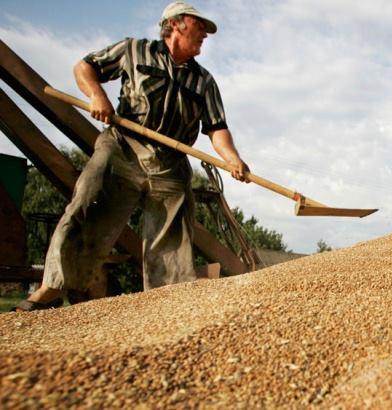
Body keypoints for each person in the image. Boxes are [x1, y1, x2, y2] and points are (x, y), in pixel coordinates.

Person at [13, 1, 249, 311]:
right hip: (123, 148)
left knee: (172, 236)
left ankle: (166, 303)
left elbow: (217, 128)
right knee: (88, 208)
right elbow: (84, 67)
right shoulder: (134, 50)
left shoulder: (204, 82)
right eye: (199, 25)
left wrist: (232, 158)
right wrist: (97, 96)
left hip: (169, 162)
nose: (205, 32)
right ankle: (51, 289)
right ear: (176, 24)